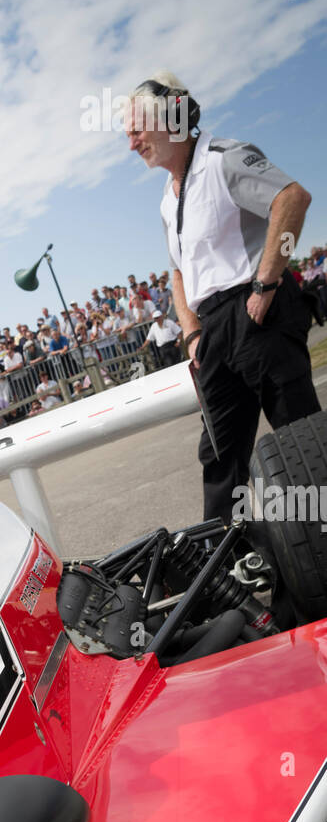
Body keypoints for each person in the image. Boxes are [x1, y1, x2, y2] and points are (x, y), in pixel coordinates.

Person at [126, 72, 321, 522]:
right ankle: (221, 563)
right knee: (220, 459)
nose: (132, 144)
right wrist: (192, 334)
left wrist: (268, 281)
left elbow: (293, 200)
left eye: (137, 130)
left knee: (300, 443)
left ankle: (317, 565)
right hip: (214, 331)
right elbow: (178, 271)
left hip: (258, 312)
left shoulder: (224, 157)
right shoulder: (165, 198)